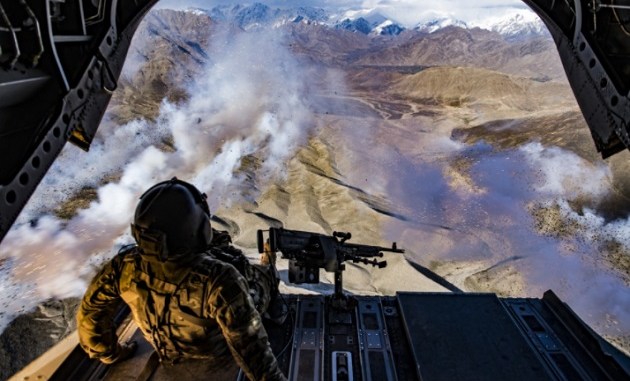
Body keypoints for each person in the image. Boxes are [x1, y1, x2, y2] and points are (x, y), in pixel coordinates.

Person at [77, 177, 287, 381]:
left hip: (165, 347)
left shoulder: (124, 265)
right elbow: (252, 349)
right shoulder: (218, 278)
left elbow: (90, 314)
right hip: (214, 350)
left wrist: (111, 353)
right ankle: (272, 285)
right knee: (263, 276)